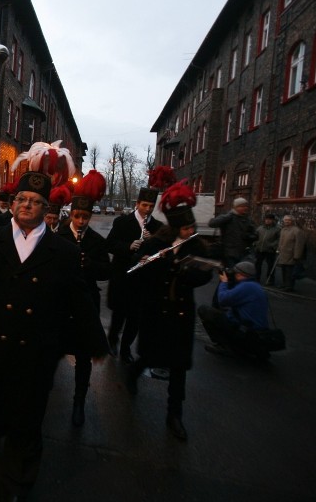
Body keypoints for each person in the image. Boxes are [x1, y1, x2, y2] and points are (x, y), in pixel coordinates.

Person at [0, 161, 108, 500]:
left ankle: (19, 481)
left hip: (37, 347)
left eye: (34, 201)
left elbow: (79, 298)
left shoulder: (64, 252)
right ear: (13, 204)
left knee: (27, 418)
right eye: (21, 199)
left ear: (47, 208)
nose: (26, 205)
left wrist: (96, 342)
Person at [127, 180, 213, 441]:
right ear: (174, 227)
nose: (189, 231)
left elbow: (205, 275)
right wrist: (154, 264)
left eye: (191, 227)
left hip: (181, 313)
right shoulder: (156, 244)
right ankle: (133, 373)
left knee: (178, 364)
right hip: (156, 310)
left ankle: (174, 414)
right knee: (150, 355)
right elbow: (138, 272)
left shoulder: (196, 246)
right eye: (185, 228)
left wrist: (190, 273)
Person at [56, 170, 111, 427]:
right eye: (77, 216)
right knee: (52, 346)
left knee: (84, 354)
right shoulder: (59, 237)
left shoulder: (97, 241)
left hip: (86, 303)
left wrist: (89, 264)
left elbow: (105, 272)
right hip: (62, 301)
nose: (80, 221)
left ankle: (79, 401)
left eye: (85, 217)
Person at [106, 187, 163, 362]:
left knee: (135, 318)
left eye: (151, 205)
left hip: (142, 281)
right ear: (137, 204)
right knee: (119, 315)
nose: (147, 209)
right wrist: (128, 247)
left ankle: (126, 348)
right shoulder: (122, 222)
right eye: (144, 205)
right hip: (122, 277)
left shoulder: (158, 227)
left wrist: (152, 241)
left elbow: (161, 253)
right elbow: (110, 244)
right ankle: (112, 340)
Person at [198, 261, 270, 359]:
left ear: (241, 274)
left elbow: (222, 299)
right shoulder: (255, 286)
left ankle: (226, 346)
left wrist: (224, 282)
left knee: (204, 310)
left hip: (246, 331)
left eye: (235, 273)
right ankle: (238, 346)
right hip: (257, 331)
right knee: (223, 313)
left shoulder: (246, 287)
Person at [208, 197, 257, 268]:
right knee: (230, 274)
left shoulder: (248, 219)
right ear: (235, 207)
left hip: (243, 253)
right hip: (228, 253)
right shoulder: (228, 217)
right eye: (242, 206)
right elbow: (212, 224)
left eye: (246, 206)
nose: (245, 208)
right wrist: (227, 216)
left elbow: (255, 234)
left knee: (241, 274)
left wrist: (250, 236)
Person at [277, 214, 306, 291]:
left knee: (290, 272)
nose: (286, 221)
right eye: (285, 220)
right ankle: (284, 284)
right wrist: (278, 249)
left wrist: (297, 256)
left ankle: (289, 286)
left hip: (291, 254)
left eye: (288, 220)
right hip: (283, 253)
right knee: (284, 270)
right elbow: (280, 241)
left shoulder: (297, 231)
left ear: (292, 221)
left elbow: (299, 244)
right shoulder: (283, 230)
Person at [254, 213, 281, 286]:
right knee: (258, 265)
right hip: (259, 249)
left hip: (270, 250)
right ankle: (257, 278)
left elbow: (279, 239)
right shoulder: (260, 228)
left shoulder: (277, 229)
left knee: (271, 266)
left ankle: (270, 280)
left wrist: (273, 245)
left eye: (270, 219)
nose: (268, 221)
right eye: (266, 219)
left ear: (273, 220)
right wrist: (256, 243)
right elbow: (255, 236)